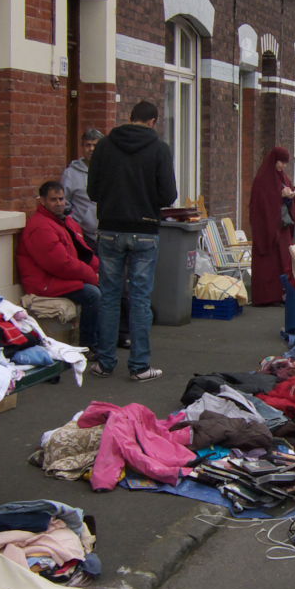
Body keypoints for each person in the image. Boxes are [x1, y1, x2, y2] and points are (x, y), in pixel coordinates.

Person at [86, 100, 175, 382]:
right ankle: (139, 366)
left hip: (110, 229)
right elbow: (168, 194)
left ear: (130, 118)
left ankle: (105, 362)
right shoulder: (160, 149)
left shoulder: (104, 146)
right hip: (146, 230)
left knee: (110, 298)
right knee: (139, 299)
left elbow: (92, 191)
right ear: (153, 121)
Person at [17, 180, 102, 352]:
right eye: (53, 200)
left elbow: (82, 252)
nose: (59, 203)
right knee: (93, 294)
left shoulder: (65, 222)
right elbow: (60, 264)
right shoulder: (41, 226)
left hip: (58, 277)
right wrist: (93, 276)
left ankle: (105, 339)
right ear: (42, 201)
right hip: (45, 282)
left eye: (61, 199)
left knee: (111, 284)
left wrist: (100, 269)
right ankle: (89, 345)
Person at [247, 146, 295, 306]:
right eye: (280, 162)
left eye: (285, 163)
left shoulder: (284, 178)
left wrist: (290, 197)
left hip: (282, 228)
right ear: (274, 160)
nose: (283, 166)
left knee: (283, 262)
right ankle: (265, 297)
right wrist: (279, 196)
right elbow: (260, 205)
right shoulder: (262, 180)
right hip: (267, 230)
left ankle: (280, 294)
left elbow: (290, 202)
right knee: (268, 265)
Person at [60, 128, 105, 244]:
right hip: (82, 235)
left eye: (95, 145)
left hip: (108, 234)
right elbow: (64, 202)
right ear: (82, 147)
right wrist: (76, 222)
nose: (91, 149)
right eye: (87, 145)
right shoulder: (71, 173)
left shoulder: (110, 170)